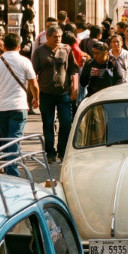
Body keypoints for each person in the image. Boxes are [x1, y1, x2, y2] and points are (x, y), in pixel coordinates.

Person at [0, 32, 40, 170]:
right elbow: (33, 84)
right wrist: (36, 99)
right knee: (14, 140)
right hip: (19, 106)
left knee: (6, 141)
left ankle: (11, 169)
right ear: (19, 46)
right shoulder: (25, 61)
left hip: (0, 108)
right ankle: (13, 172)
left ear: (4, 47)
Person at [32, 26, 79, 163]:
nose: (58, 39)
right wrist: (33, 96)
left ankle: (62, 151)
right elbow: (33, 73)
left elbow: (73, 69)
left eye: (59, 36)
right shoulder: (40, 52)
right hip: (46, 94)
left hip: (63, 93)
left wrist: (74, 87)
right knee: (48, 123)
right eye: (55, 36)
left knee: (66, 123)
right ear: (48, 37)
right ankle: (50, 153)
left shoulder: (66, 49)